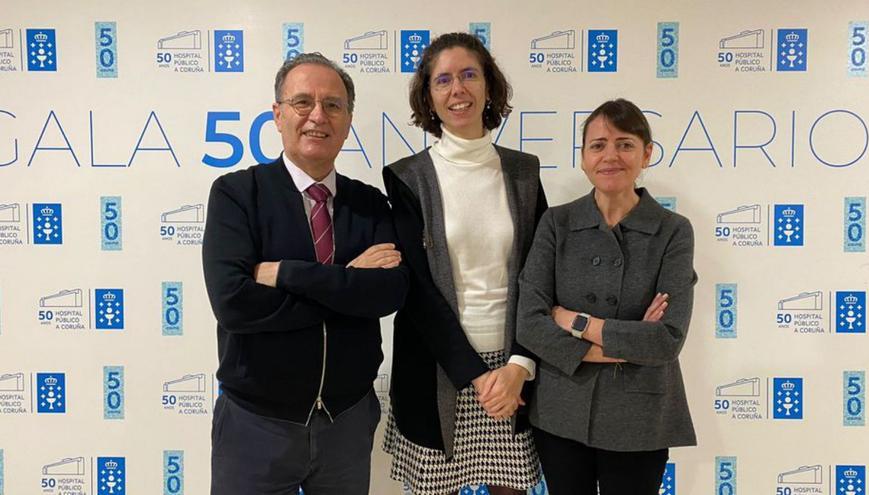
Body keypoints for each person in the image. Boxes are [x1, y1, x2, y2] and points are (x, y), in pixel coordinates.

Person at [202, 52, 408, 495]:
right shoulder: (238, 195)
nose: (318, 115)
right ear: (277, 114)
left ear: (348, 119)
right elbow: (235, 304)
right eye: (302, 102)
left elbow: (387, 292)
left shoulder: (369, 203)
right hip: (256, 426)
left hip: (346, 422)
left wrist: (289, 274)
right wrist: (346, 282)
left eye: (333, 104)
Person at [381, 32, 545, 495]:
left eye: (470, 75)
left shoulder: (524, 173)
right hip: (438, 369)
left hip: (512, 370)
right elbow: (415, 289)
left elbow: (539, 276)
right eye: (444, 80)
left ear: (489, 87)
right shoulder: (406, 178)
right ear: (429, 97)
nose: (458, 90)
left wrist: (518, 366)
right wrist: (474, 372)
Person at [516, 98, 697, 495]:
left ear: (646, 153)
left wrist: (577, 323)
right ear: (583, 157)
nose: (610, 155)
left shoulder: (673, 231)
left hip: (640, 416)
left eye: (625, 144)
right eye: (598, 145)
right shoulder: (556, 223)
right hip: (562, 411)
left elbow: (666, 339)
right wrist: (621, 344)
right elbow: (529, 322)